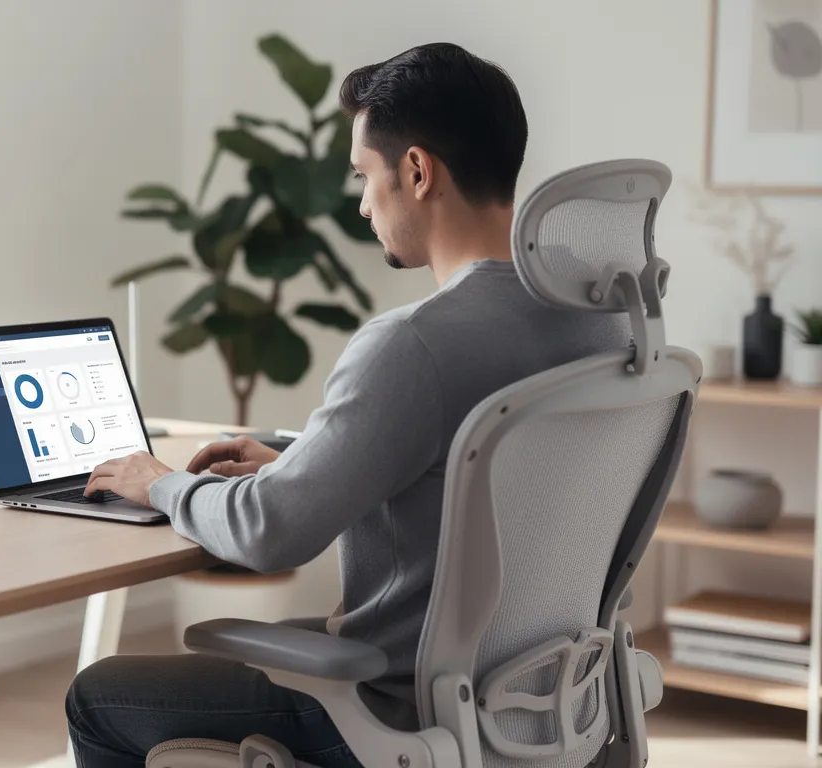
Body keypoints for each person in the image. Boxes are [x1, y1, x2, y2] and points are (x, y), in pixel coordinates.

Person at [67, 42, 629, 768]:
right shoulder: (600, 322)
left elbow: (270, 532)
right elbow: (480, 471)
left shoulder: (413, 345)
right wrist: (308, 462)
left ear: (418, 172)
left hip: (394, 710)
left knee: (97, 698)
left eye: (366, 176)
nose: (363, 203)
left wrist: (162, 484)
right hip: (541, 701)